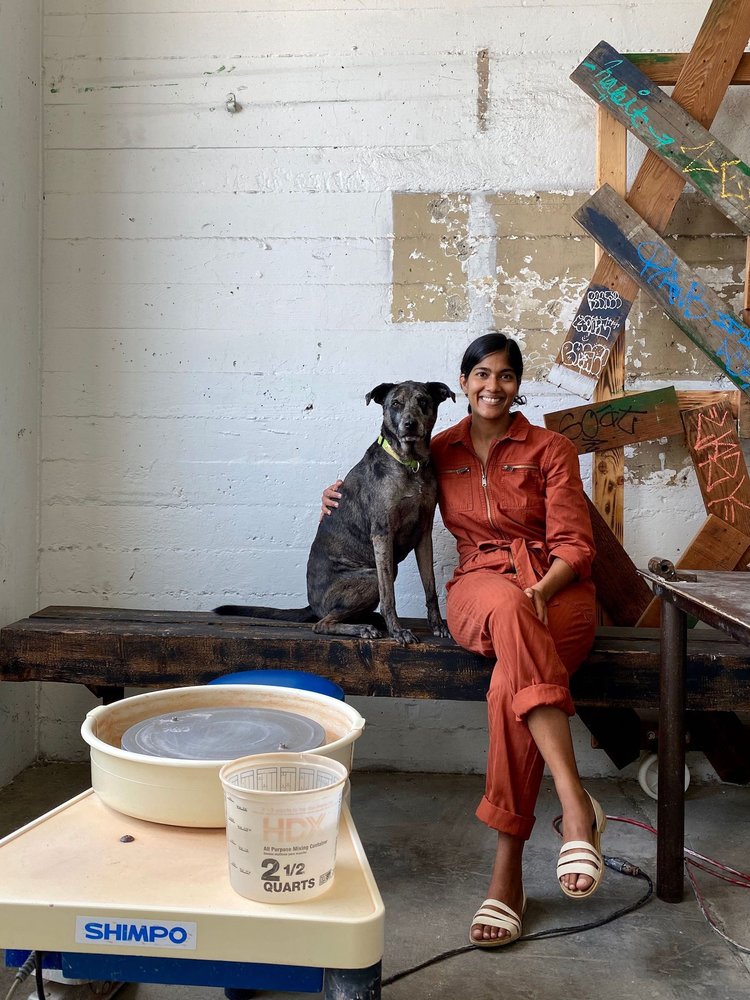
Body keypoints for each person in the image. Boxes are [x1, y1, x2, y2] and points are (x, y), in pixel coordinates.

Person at [321, 332, 603, 948]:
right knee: (506, 612)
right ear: (463, 383)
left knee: (510, 681)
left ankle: (506, 875)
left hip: (558, 592)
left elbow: (576, 547)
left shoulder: (551, 448)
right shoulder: (434, 449)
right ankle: (574, 802)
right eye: (480, 374)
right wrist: (335, 495)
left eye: (505, 375)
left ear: (518, 384)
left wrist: (543, 590)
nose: (492, 386)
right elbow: (374, 489)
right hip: (480, 583)